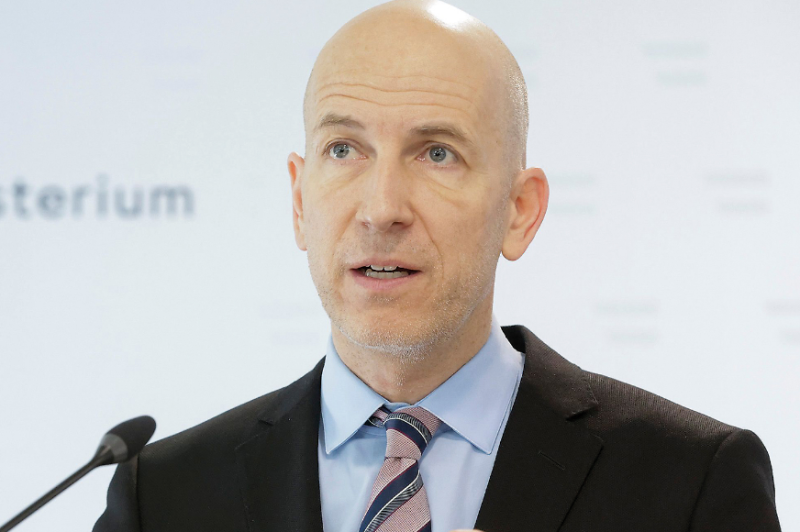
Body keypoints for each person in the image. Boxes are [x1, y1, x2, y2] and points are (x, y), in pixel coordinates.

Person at [93, 0, 781, 531]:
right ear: (300, 202)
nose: (381, 209)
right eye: (343, 150)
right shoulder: (165, 496)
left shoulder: (692, 481)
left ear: (519, 211)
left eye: (437, 154)